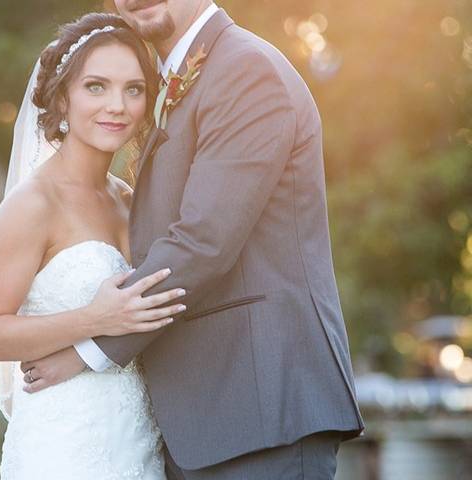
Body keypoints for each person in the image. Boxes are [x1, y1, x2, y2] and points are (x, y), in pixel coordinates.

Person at [20, 1, 366, 479]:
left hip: (263, 417)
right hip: (200, 423)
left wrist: (88, 349)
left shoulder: (246, 70)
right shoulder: (171, 81)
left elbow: (204, 242)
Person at [0, 12, 180, 479]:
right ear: (63, 96)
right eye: (96, 87)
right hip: (64, 443)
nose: (117, 105)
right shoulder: (32, 205)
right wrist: (95, 318)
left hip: (137, 439)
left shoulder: (129, 198)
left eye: (134, 89)